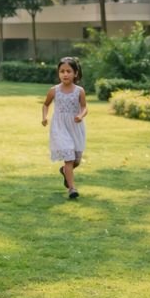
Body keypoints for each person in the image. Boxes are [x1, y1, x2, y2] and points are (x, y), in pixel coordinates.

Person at [42, 56, 88, 199]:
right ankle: (72, 189)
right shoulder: (54, 90)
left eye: (68, 71)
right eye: (62, 71)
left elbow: (84, 107)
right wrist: (44, 117)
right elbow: (46, 104)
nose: (65, 74)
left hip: (75, 126)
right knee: (69, 157)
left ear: (75, 73)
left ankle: (65, 171)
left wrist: (81, 115)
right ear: (58, 73)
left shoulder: (79, 91)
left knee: (76, 160)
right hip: (60, 127)